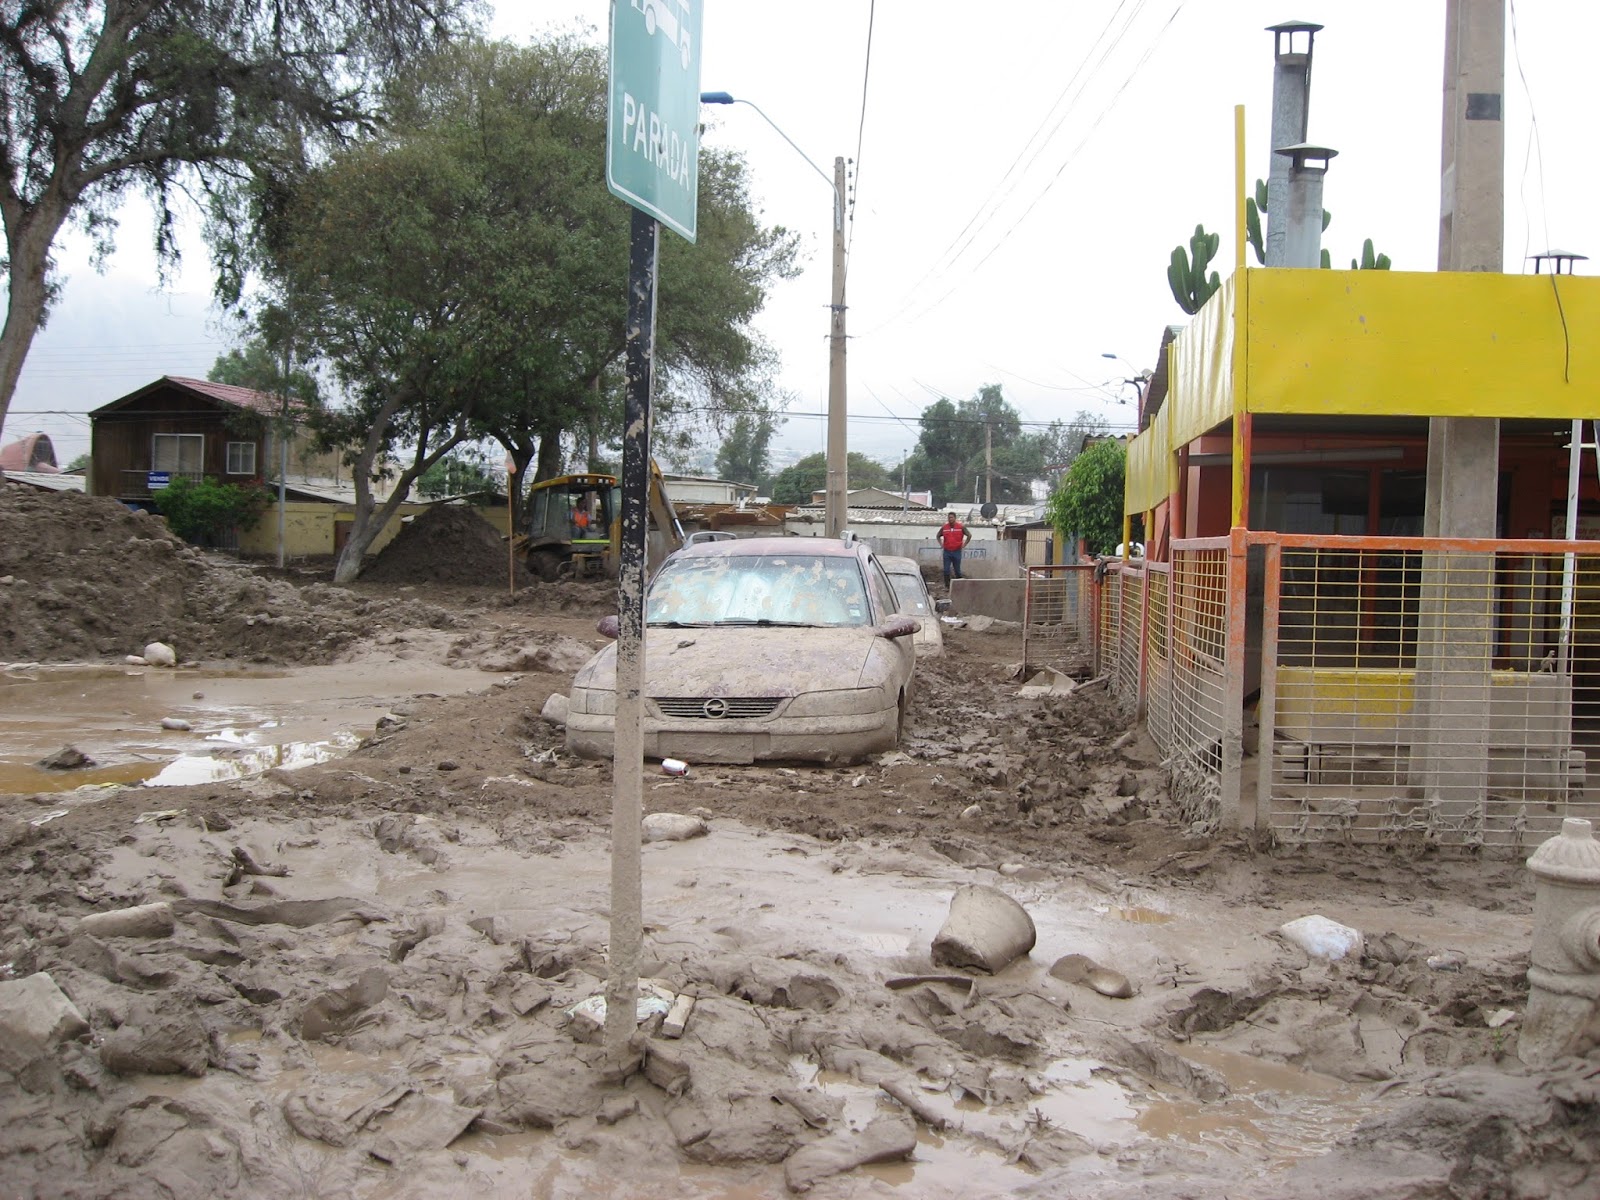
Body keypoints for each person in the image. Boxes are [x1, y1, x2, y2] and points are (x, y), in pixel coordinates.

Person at [936, 510, 971, 589]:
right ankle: (947, 586)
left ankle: (960, 586)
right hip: (947, 552)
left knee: (957, 570)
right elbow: (938, 536)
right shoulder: (944, 527)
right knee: (946, 570)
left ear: (955, 518)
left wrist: (964, 545)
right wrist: (941, 544)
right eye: (949, 518)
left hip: (957, 551)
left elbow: (969, 535)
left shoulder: (961, 527)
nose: (950, 519)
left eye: (951, 517)